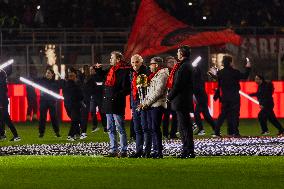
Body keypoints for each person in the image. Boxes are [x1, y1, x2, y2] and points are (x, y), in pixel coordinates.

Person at [167, 46, 195, 158]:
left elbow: (178, 84)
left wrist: (169, 96)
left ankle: (187, 150)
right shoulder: (186, 65)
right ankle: (188, 150)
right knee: (184, 126)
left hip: (181, 100)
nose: (177, 54)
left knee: (184, 127)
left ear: (182, 53)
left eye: (178, 52)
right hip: (183, 99)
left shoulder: (184, 66)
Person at [139, 57, 169, 158]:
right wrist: (145, 102)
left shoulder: (163, 75)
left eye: (151, 64)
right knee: (153, 128)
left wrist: (146, 103)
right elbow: (151, 92)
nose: (149, 66)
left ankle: (158, 151)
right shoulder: (157, 75)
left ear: (156, 65)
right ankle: (156, 150)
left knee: (155, 128)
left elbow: (158, 92)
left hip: (158, 105)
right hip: (153, 105)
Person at [102, 51, 131, 157]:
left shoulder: (124, 71)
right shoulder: (111, 70)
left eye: (112, 57)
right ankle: (113, 150)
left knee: (120, 127)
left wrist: (116, 95)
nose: (110, 59)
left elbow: (127, 89)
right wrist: (97, 70)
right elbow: (103, 80)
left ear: (118, 59)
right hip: (108, 102)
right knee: (110, 128)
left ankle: (123, 150)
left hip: (117, 102)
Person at [214, 56, 251, 137]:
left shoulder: (220, 73)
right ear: (230, 62)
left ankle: (217, 131)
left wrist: (216, 96)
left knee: (223, 115)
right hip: (234, 97)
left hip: (225, 97)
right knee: (235, 115)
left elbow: (219, 85)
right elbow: (245, 76)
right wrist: (248, 67)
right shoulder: (235, 72)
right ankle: (235, 132)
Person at [129, 54, 151, 158]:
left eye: (136, 62)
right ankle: (139, 151)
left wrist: (145, 102)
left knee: (145, 127)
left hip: (143, 102)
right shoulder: (132, 73)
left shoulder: (146, 72)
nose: (134, 64)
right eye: (133, 62)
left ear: (141, 62)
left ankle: (147, 151)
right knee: (137, 128)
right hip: (134, 102)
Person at [192, 59, 216, 136]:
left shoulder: (198, 79)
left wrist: (196, 66)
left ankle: (201, 130)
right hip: (201, 98)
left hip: (201, 99)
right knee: (207, 116)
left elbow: (197, 72)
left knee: (197, 114)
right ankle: (216, 129)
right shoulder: (196, 79)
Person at [60, 67, 83, 141]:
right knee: (75, 120)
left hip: (75, 105)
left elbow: (80, 94)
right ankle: (77, 132)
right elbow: (65, 93)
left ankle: (70, 135)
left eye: (71, 73)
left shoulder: (78, 83)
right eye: (69, 73)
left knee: (74, 120)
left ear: (75, 74)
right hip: (68, 104)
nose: (70, 74)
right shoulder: (66, 83)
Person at [38, 67, 61, 138]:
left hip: (52, 102)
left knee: (54, 117)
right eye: (46, 73)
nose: (47, 74)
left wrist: (54, 97)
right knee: (42, 117)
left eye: (49, 73)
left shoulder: (55, 82)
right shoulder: (42, 80)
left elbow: (57, 92)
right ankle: (41, 133)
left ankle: (57, 132)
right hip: (43, 101)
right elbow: (35, 82)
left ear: (52, 74)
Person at [0, 68, 21, 141]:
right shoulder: (3, 74)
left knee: (6, 119)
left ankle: (16, 136)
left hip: (2, 102)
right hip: (3, 101)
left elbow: (2, 92)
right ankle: (2, 135)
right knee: (2, 119)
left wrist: (1, 104)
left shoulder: (2, 75)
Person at [78, 65, 97, 139]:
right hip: (86, 100)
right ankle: (83, 132)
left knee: (81, 116)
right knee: (84, 117)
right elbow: (94, 89)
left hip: (81, 99)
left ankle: (82, 132)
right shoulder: (91, 79)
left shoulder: (81, 78)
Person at [162, 56, 178, 139]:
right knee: (167, 115)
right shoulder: (165, 72)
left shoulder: (177, 71)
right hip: (167, 97)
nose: (172, 63)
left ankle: (173, 133)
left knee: (175, 116)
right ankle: (165, 133)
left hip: (174, 97)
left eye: (173, 62)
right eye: (170, 62)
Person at [90, 64, 107, 132]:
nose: (91, 71)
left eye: (93, 69)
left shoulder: (102, 76)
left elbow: (103, 86)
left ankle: (105, 126)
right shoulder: (91, 77)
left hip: (100, 97)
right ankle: (95, 126)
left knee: (102, 112)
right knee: (92, 111)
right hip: (94, 97)